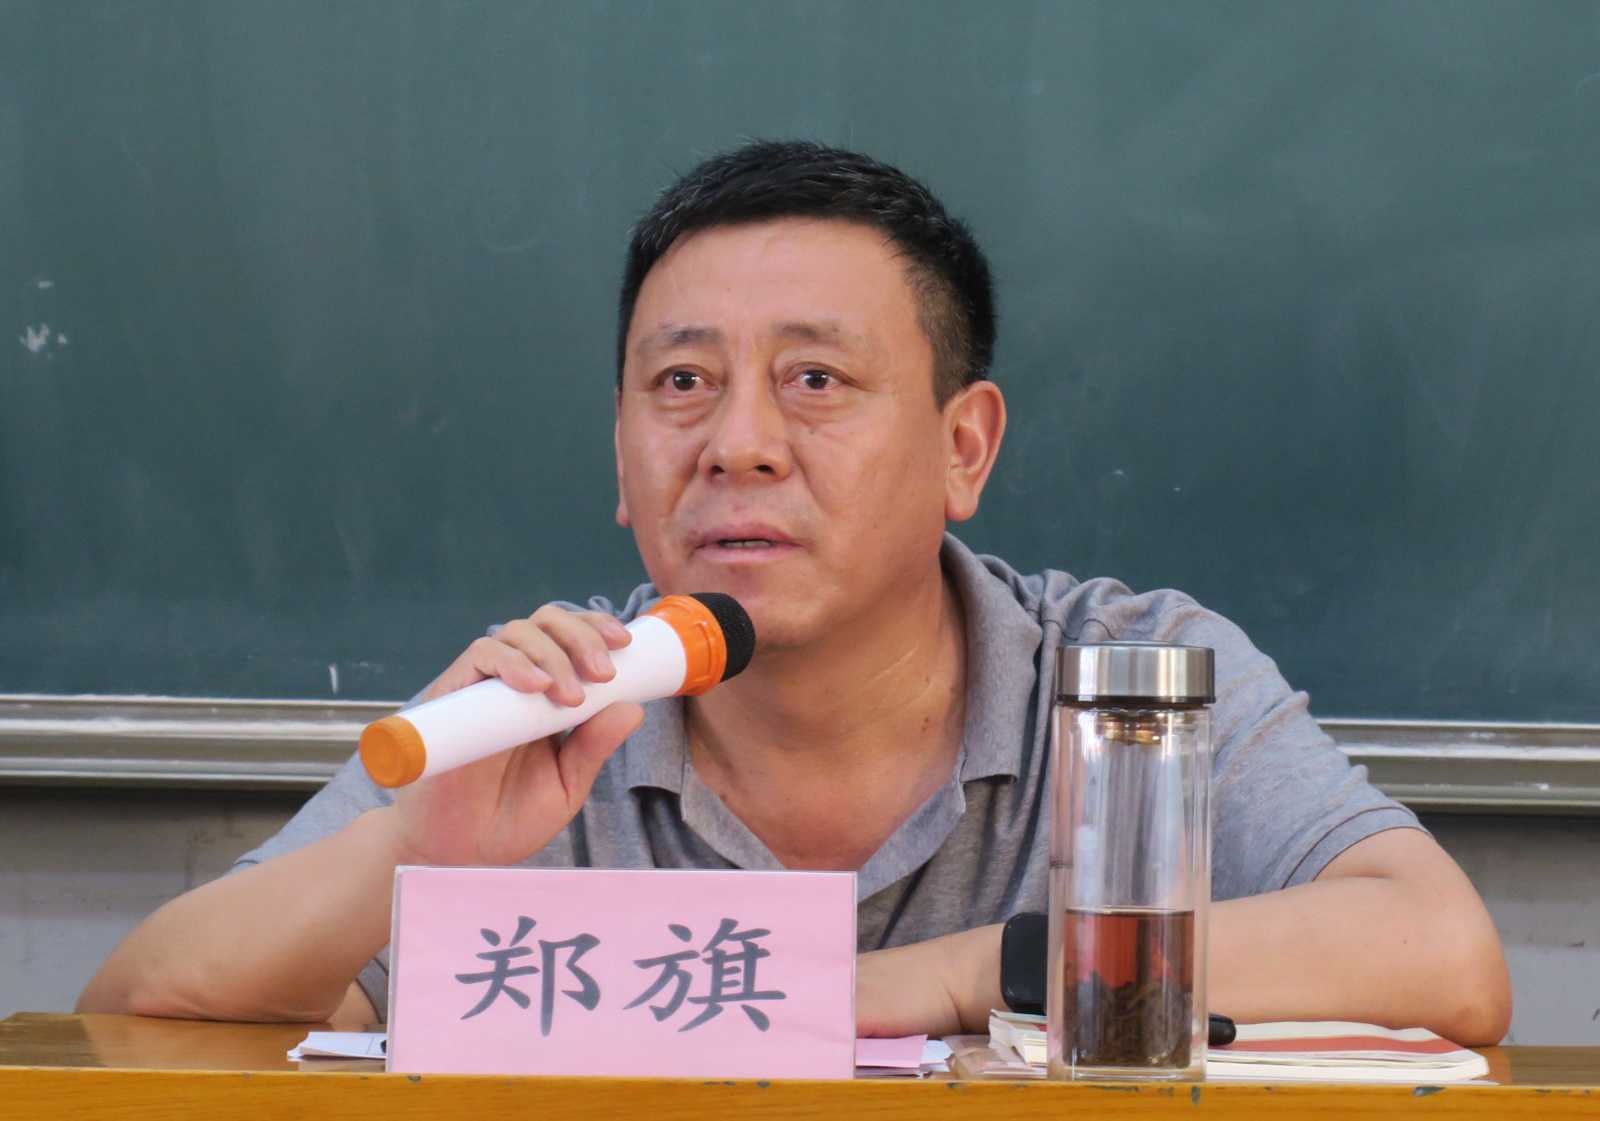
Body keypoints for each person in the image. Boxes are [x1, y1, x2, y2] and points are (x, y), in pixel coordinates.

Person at [78, 140, 1511, 1043]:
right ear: (623, 458)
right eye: (680, 384)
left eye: (815, 380)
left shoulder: (1126, 670)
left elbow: (1440, 952)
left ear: (964, 447)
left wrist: (934, 979)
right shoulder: (554, 700)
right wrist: (421, 844)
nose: (739, 443)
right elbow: (143, 1009)